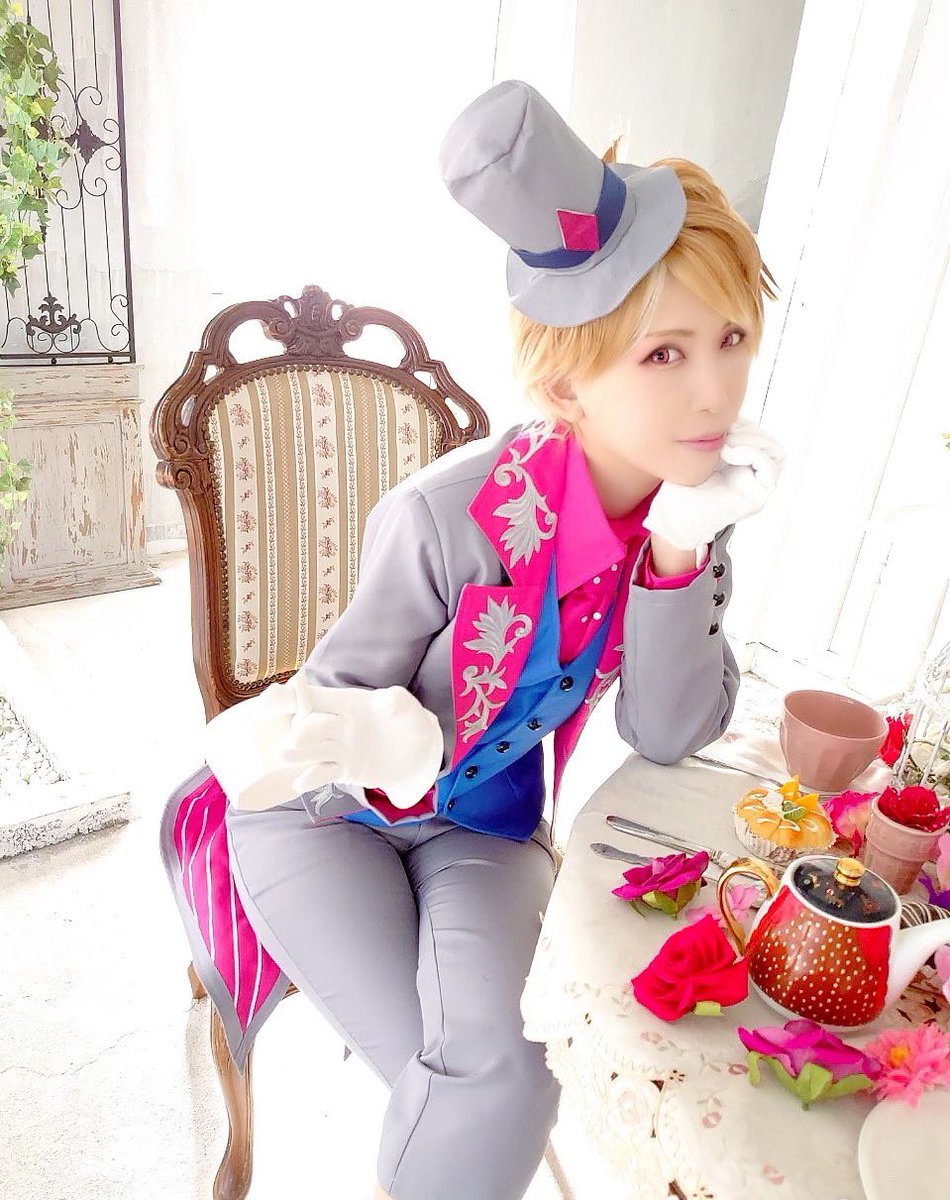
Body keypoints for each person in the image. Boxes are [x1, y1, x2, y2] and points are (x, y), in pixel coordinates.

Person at [164, 80, 784, 1200]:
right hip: (324, 816)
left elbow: (666, 730)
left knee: (514, 1064)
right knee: (485, 1087)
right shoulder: (443, 517)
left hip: (483, 826)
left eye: (731, 337)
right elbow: (323, 722)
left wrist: (680, 552)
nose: (714, 390)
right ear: (562, 383)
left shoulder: (684, 512)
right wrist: (398, 738)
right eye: (663, 354)